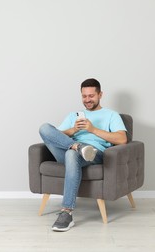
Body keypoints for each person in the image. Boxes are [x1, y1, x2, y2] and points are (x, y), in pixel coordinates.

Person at [39, 78, 127, 232]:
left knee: (72, 154)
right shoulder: (74, 115)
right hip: (70, 150)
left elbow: (122, 139)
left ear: (100, 94)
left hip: (95, 153)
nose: (87, 100)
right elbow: (54, 136)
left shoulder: (111, 115)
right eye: (84, 96)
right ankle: (76, 146)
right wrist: (73, 130)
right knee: (44, 128)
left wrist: (93, 129)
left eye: (91, 96)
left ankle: (66, 212)